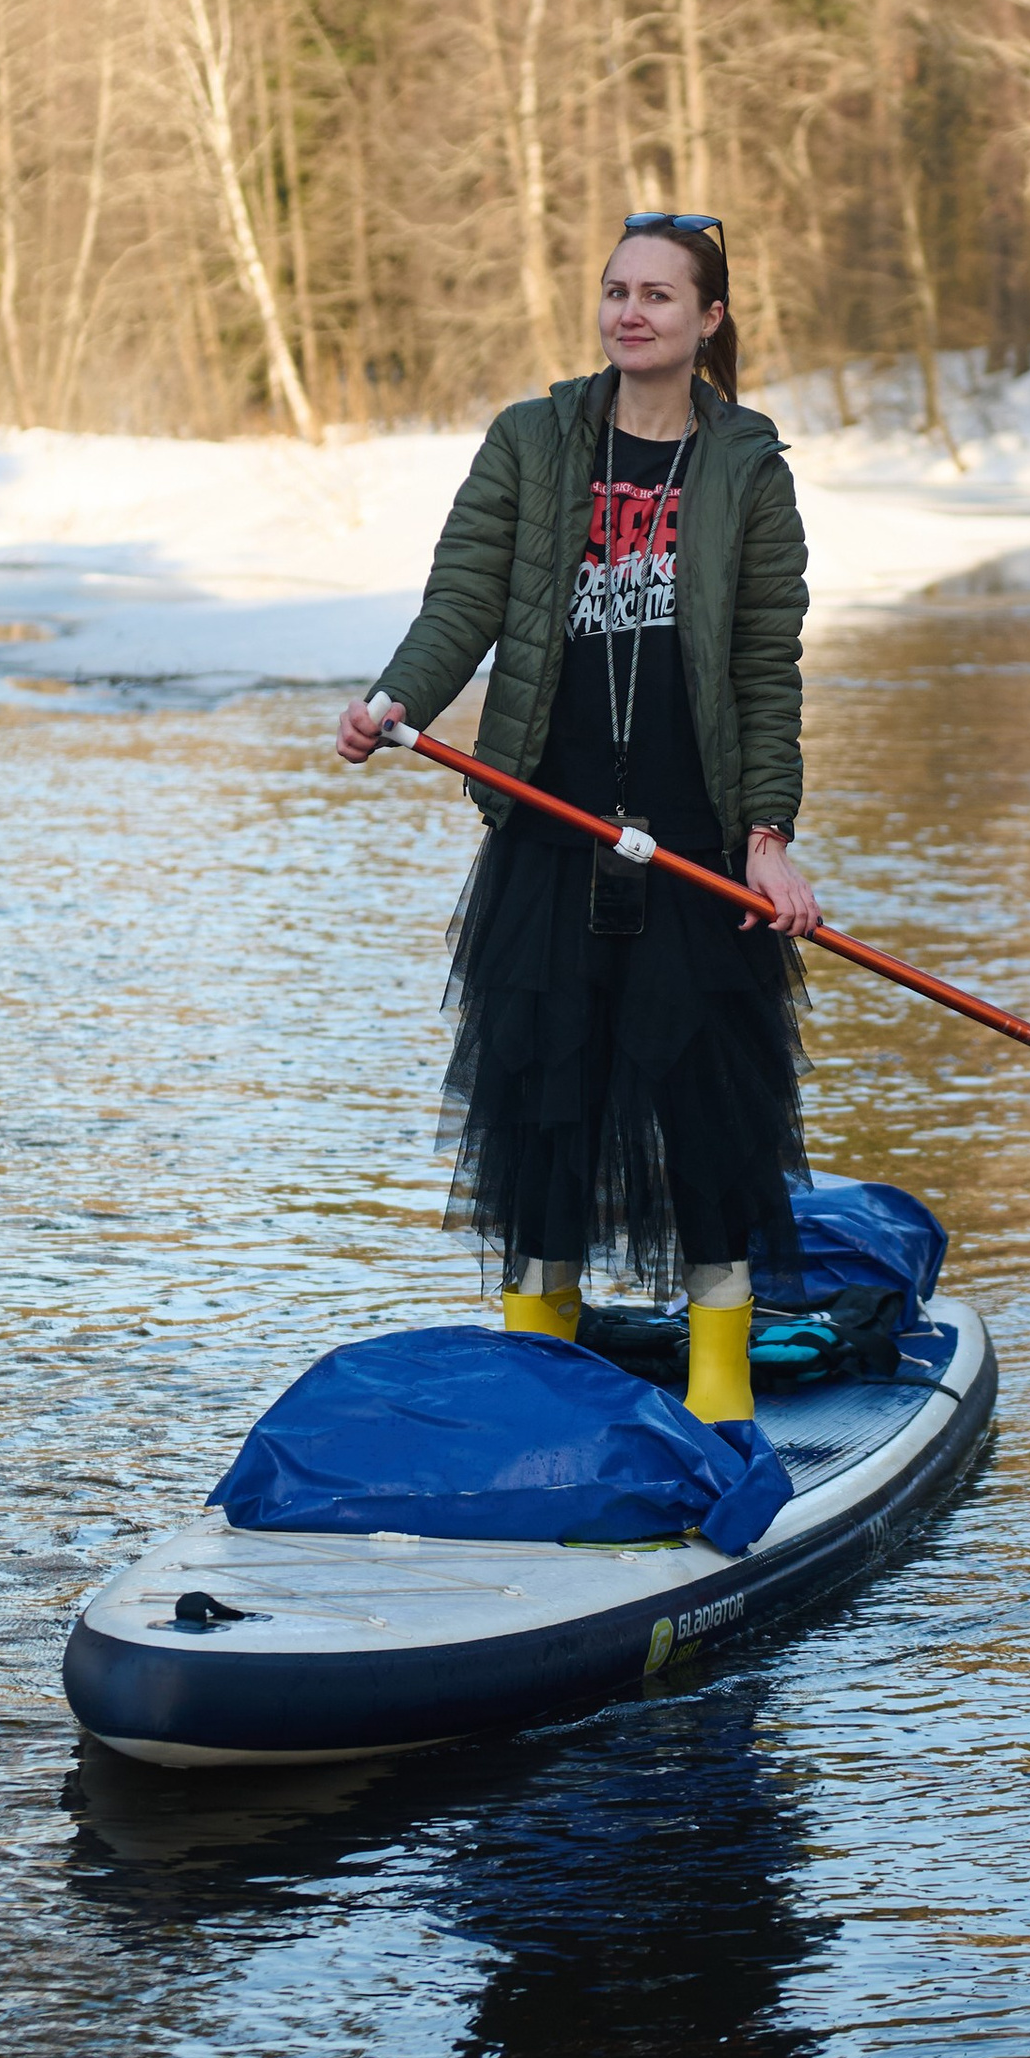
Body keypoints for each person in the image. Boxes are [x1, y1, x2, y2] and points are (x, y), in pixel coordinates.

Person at [336, 215, 821, 1425]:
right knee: (542, 1103)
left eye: (659, 294)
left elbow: (767, 664)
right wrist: (399, 695)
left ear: (709, 319)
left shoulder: (747, 466)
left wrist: (766, 831)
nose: (629, 313)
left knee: (709, 1109)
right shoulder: (533, 441)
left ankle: (719, 1387)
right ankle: (535, 1381)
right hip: (549, 831)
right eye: (614, 291)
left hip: (694, 841)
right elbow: (464, 596)